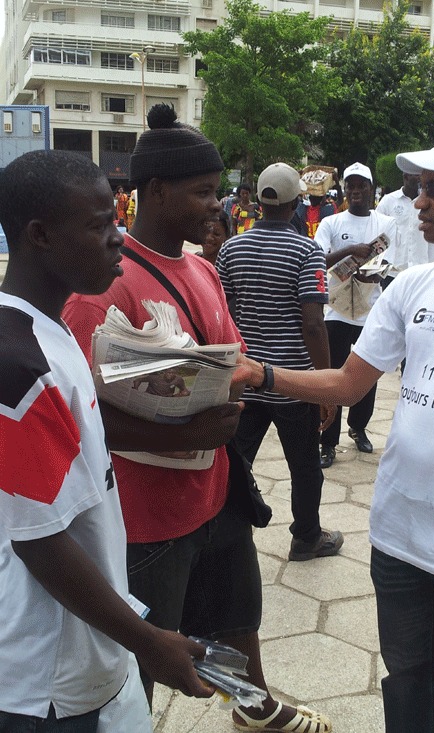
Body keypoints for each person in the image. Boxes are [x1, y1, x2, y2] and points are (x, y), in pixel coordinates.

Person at [236, 120, 434, 733]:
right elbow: (350, 384)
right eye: (416, 186)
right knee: (407, 683)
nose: (417, 201)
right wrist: (259, 376)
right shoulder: (415, 284)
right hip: (401, 532)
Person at [64, 105, 332, 733]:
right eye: (204, 192)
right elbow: (82, 414)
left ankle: (253, 706)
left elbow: (231, 354)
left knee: (239, 610)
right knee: (147, 647)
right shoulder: (106, 286)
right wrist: (177, 431)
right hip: (147, 513)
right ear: (156, 192)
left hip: (215, 489)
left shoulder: (206, 269)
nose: (219, 205)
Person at [0, 149, 213, 732]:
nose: (118, 238)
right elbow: (39, 542)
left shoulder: (54, 329)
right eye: (99, 226)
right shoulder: (16, 366)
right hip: (48, 677)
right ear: (40, 235)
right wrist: (149, 641)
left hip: (91, 648)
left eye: (115, 220)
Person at [217, 162, 343, 562]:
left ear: (257, 202)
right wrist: (326, 384)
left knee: (235, 462)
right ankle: (306, 537)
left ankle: (223, 535)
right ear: (296, 203)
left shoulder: (231, 247)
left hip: (245, 379)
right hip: (291, 384)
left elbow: (222, 312)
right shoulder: (308, 251)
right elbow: (313, 325)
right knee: (305, 467)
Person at [315, 162, 397, 469]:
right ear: (345, 190)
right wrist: (350, 250)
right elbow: (318, 259)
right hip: (335, 309)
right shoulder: (332, 223)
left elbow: (392, 261)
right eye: (352, 186)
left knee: (368, 373)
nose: (357, 191)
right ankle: (327, 441)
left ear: (372, 189)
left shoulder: (386, 223)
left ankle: (359, 426)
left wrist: (376, 275)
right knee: (335, 374)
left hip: (370, 310)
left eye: (363, 186)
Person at [375, 171, 434, 286]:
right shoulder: (388, 201)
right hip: (392, 273)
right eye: (416, 175)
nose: (420, 178)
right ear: (405, 177)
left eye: (421, 175)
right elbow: (375, 233)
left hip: (420, 273)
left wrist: (431, 267)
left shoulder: (429, 204)